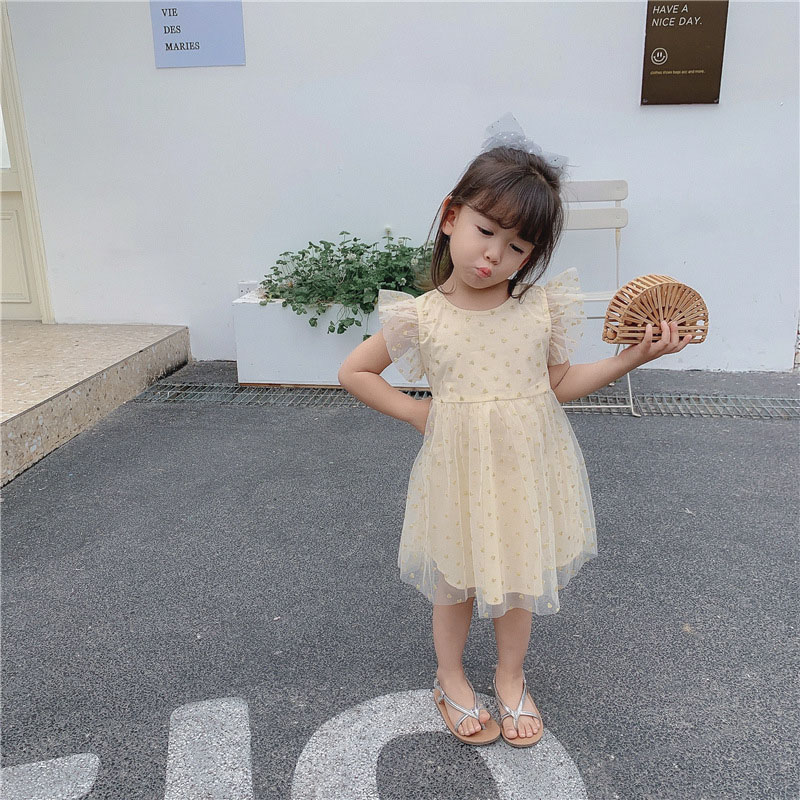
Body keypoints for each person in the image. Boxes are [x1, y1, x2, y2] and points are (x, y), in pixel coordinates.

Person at [337, 114, 692, 747]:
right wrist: (418, 412)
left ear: (534, 255)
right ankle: (450, 676)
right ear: (451, 217)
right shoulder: (423, 316)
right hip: (458, 470)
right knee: (455, 579)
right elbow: (355, 371)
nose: (495, 255)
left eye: (518, 247)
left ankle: (510, 677)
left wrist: (633, 357)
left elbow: (557, 384)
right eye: (485, 231)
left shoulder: (537, 309)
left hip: (526, 469)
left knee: (520, 575)